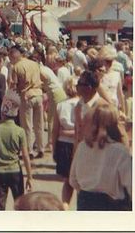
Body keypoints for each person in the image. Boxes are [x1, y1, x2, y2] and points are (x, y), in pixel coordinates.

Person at [69, 104, 132, 210]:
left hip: (86, 202)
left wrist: (87, 192)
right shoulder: (120, 151)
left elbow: (73, 180)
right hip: (112, 205)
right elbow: (130, 185)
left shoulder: (82, 146)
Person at [0, 90, 33, 210]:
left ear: (2, 112)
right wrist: (30, 177)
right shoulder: (20, 131)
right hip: (15, 172)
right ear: (16, 114)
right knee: (20, 204)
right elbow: (25, 156)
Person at [9, 45, 44, 159]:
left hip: (26, 96)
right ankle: (40, 148)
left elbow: (14, 84)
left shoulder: (16, 67)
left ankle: (29, 150)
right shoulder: (34, 63)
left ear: (13, 56)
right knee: (39, 124)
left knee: (27, 125)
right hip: (38, 93)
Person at [52, 77, 79, 208]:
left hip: (63, 144)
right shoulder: (83, 104)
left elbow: (55, 130)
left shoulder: (60, 105)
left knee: (67, 181)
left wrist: (54, 148)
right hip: (79, 144)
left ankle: (65, 206)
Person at [74, 70, 108, 148]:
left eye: (80, 83)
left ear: (89, 87)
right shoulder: (78, 106)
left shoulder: (102, 107)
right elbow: (77, 133)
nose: (77, 87)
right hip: (82, 152)